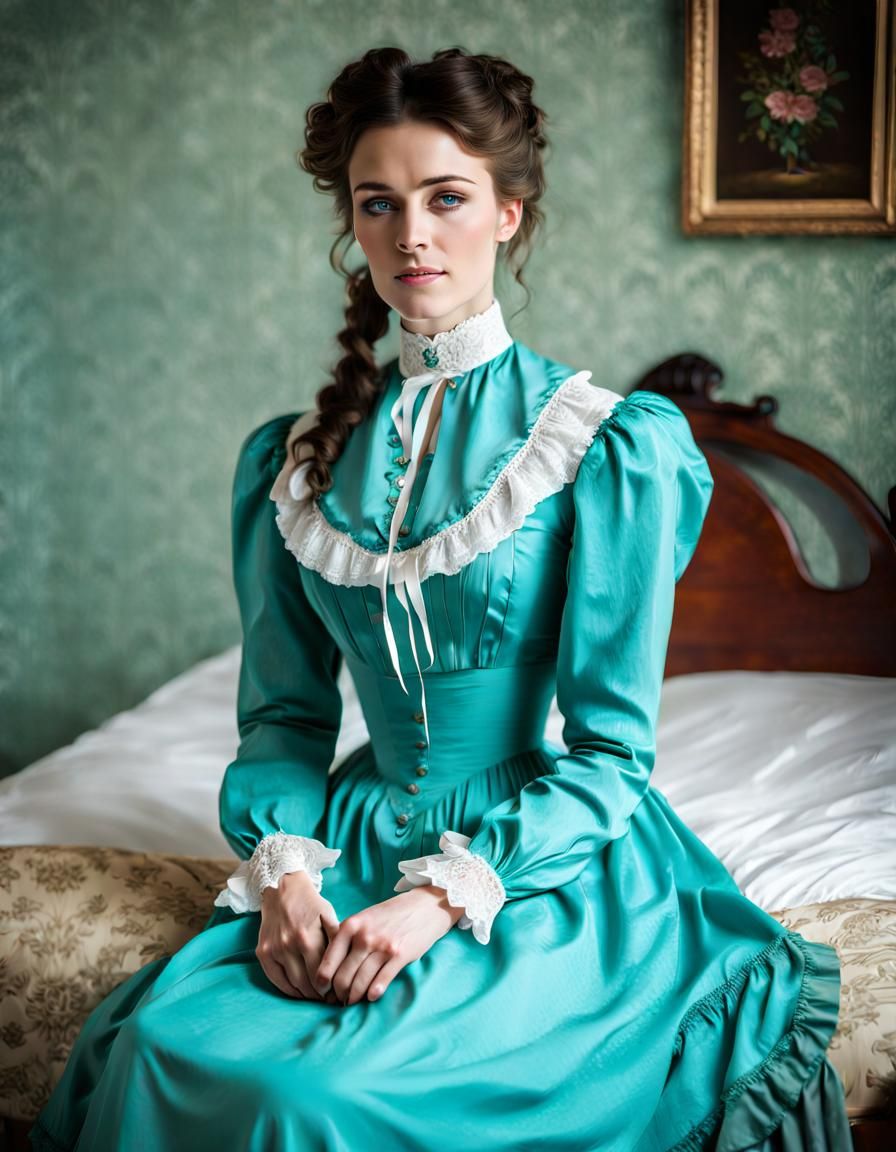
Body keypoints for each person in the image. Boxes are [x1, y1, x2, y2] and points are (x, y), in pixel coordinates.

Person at [31, 45, 851, 1152]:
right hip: (353, 834)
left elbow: (611, 755)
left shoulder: (601, 445)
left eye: (446, 197)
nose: (410, 234)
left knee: (316, 1101)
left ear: (509, 214)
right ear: (351, 225)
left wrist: (440, 899)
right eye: (379, 204)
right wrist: (282, 872)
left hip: (536, 855)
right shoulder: (298, 458)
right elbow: (282, 718)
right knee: (164, 1049)